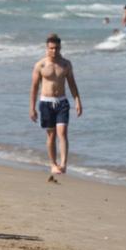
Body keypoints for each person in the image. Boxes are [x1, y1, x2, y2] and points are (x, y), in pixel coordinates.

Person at [28, 33, 83, 181]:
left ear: (60, 48)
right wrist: (32, 108)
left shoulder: (66, 64)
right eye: (51, 48)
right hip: (45, 102)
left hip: (62, 102)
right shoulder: (40, 65)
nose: (54, 51)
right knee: (51, 135)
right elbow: (34, 88)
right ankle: (53, 163)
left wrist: (77, 101)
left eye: (57, 48)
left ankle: (63, 164)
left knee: (62, 133)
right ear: (47, 48)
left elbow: (72, 84)